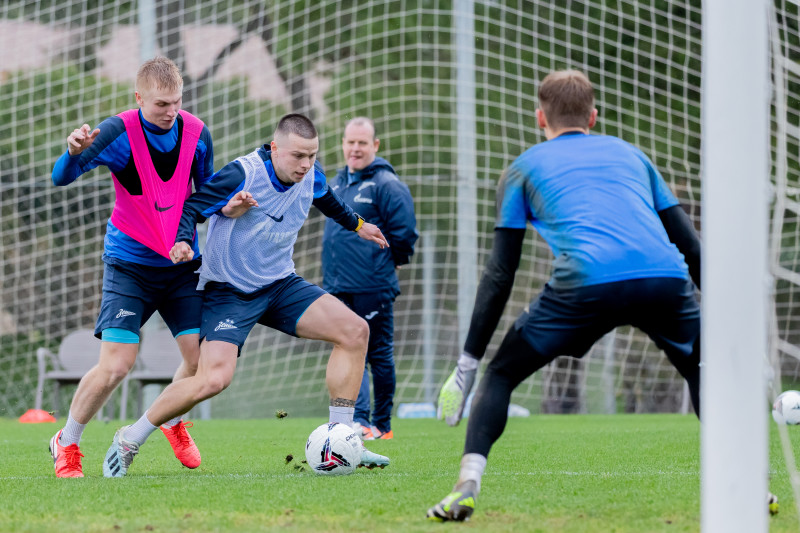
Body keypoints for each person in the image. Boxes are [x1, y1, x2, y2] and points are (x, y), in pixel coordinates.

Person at [427, 69, 703, 521]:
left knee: (500, 375)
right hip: (664, 278)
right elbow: (690, 246)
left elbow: (500, 273)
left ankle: (466, 486)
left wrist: (467, 364)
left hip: (585, 284)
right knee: (702, 371)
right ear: (593, 116)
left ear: (540, 118)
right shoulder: (634, 155)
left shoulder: (524, 168)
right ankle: (747, 483)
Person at [100, 113, 393, 477]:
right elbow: (192, 207)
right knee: (212, 380)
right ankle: (130, 437)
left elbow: (328, 200)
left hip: (281, 284)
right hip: (230, 292)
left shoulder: (311, 176)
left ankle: (345, 438)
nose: (305, 165)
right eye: (297, 156)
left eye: (312, 156)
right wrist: (180, 240)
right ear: (275, 149)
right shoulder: (242, 174)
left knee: (354, 332)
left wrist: (360, 226)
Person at [48, 56, 219, 478]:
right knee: (117, 365)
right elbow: (61, 177)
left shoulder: (197, 134)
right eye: (161, 104)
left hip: (181, 267)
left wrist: (216, 215)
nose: (171, 111)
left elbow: (205, 196)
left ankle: (172, 418)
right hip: (130, 265)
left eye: (177, 102)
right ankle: (66, 441)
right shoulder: (116, 133)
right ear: (138, 97)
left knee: (202, 363)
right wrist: (71, 153)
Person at [321, 117, 418, 441]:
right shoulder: (337, 183)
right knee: (347, 348)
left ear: (375, 146)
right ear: (343, 144)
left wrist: (396, 261)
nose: (355, 148)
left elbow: (404, 232)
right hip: (337, 285)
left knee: (376, 353)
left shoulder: (386, 183)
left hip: (372, 285)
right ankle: (357, 421)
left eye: (362, 142)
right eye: (350, 142)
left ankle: (380, 424)